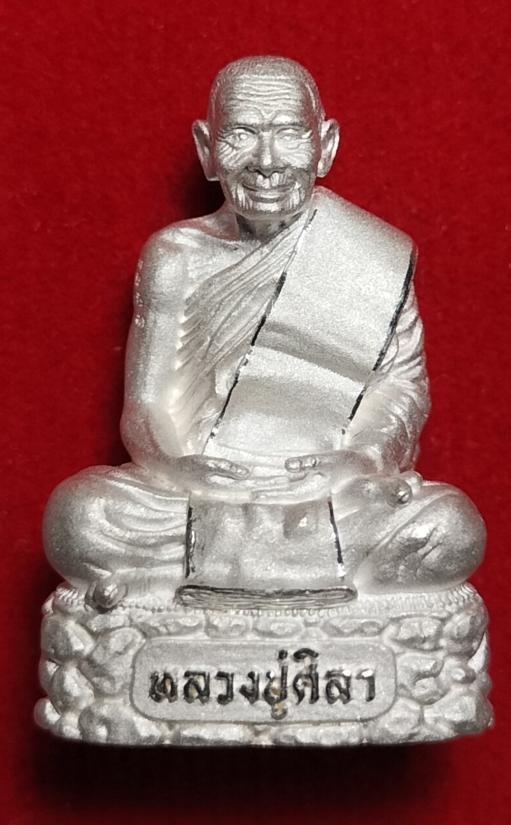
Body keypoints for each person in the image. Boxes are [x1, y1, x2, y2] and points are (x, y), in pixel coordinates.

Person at [43, 56, 485, 610]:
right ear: (207, 150)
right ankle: (298, 568)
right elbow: (147, 403)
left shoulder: (374, 257)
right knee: (81, 516)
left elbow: (401, 388)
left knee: (450, 527)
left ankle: (205, 572)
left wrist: (361, 460)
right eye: (241, 135)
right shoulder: (176, 255)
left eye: (290, 134)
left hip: (329, 491)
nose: (267, 162)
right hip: (206, 492)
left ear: (325, 146)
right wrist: (178, 467)